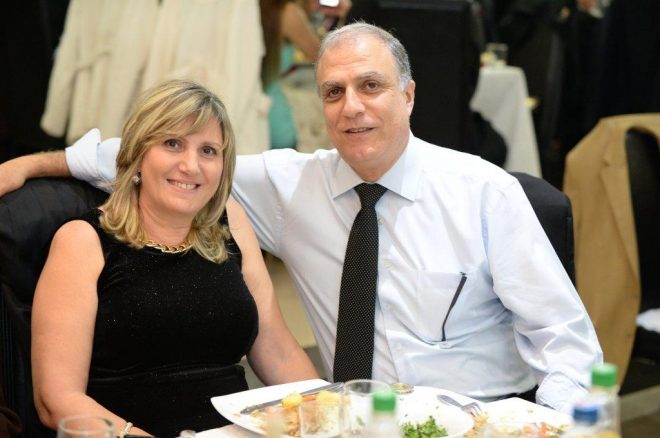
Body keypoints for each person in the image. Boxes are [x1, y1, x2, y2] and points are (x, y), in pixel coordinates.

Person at [0, 23, 601, 414]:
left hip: (475, 417)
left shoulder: (484, 193)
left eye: (371, 86)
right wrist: (31, 163)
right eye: (334, 92)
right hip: (350, 420)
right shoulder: (292, 185)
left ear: (409, 95)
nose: (352, 107)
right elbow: (161, 155)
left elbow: (567, 342)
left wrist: (547, 423)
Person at [28, 80, 317, 437]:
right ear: (138, 153)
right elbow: (56, 399)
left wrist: (333, 416)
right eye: (172, 144)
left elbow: (278, 352)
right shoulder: (82, 241)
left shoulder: (230, 221)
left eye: (208, 151)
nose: (190, 165)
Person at [260, 0, 351, 149]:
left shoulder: (258, 9)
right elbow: (326, 56)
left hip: (257, 108)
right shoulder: (287, 12)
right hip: (275, 115)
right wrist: (343, 17)